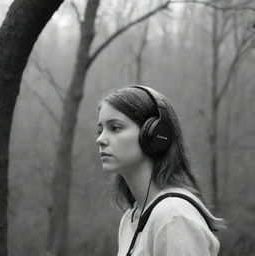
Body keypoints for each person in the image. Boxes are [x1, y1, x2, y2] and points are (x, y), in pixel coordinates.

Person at [96, 85, 225, 256]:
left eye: (115, 128)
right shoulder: (131, 218)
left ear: (155, 135)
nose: (100, 139)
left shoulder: (174, 218)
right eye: (100, 130)